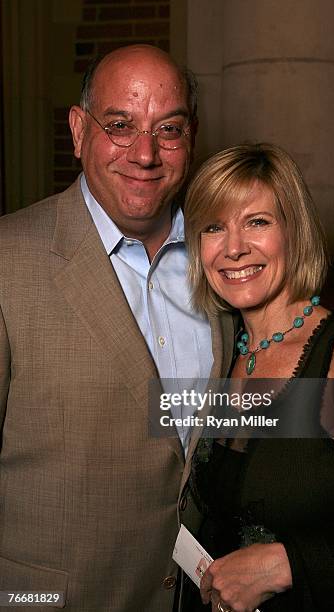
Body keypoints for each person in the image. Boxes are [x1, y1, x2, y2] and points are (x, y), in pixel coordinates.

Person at [0, 45, 234, 611]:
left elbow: (255, 410)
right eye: (121, 126)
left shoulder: (230, 261)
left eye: (168, 129)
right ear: (79, 131)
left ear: (192, 136)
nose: (146, 154)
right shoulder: (9, 261)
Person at [182, 142, 334, 612]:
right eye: (213, 227)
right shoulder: (225, 353)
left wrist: (288, 564)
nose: (234, 247)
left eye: (257, 221)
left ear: (294, 232)